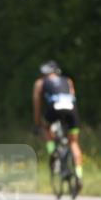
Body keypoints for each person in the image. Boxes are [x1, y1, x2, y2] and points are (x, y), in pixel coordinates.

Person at [32, 60, 83, 188]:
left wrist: (37, 123)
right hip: (71, 110)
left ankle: (52, 152)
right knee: (74, 143)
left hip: (54, 108)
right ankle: (79, 175)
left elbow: (37, 104)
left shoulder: (40, 83)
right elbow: (72, 97)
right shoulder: (68, 80)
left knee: (45, 127)